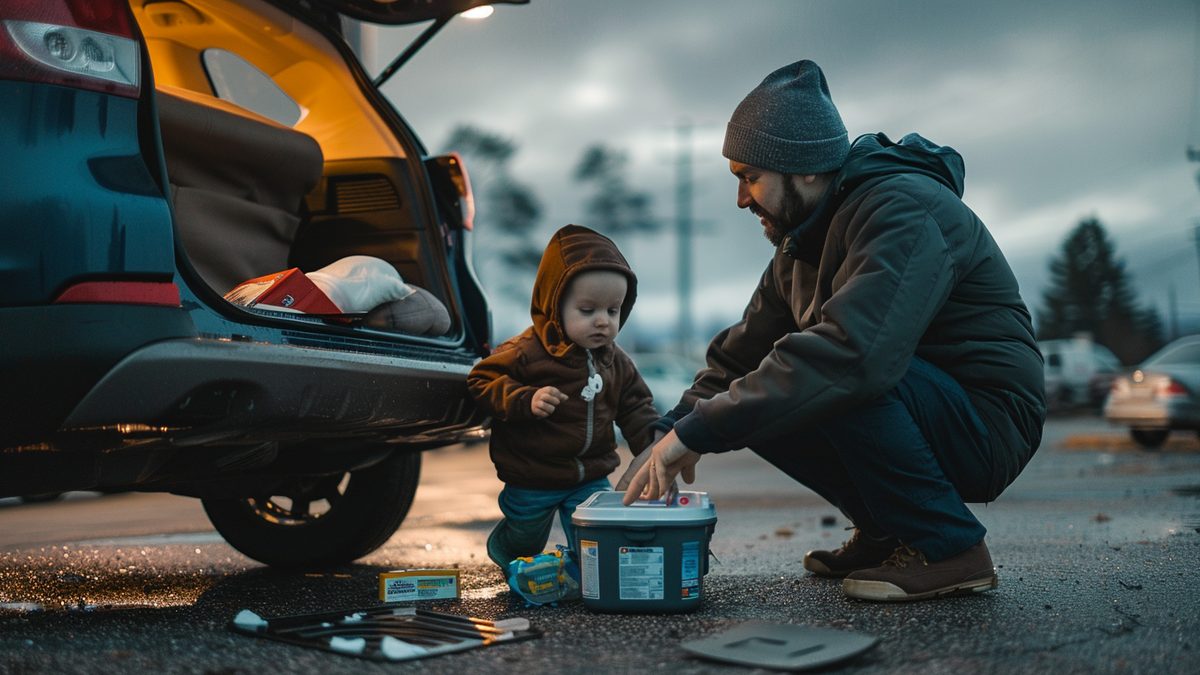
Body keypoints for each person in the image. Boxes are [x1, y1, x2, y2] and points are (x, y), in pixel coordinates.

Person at [620, 59, 1046, 603]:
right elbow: (738, 363)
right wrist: (671, 431)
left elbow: (856, 354)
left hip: (987, 421)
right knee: (767, 392)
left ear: (806, 169)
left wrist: (696, 434)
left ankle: (950, 549)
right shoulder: (797, 248)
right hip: (922, 403)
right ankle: (889, 530)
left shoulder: (903, 209)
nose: (741, 199)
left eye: (749, 177)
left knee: (832, 373)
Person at [469, 224, 661, 575]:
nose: (603, 321)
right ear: (554, 305)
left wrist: (653, 448)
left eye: (613, 310)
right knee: (525, 537)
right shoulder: (525, 352)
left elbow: (636, 407)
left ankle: (584, 575)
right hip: (533, 473)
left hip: (590, 474)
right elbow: (482, 381)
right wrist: (523, 399)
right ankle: (512, 557)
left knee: (595, 537)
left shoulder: (616, 361)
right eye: (587, 310)